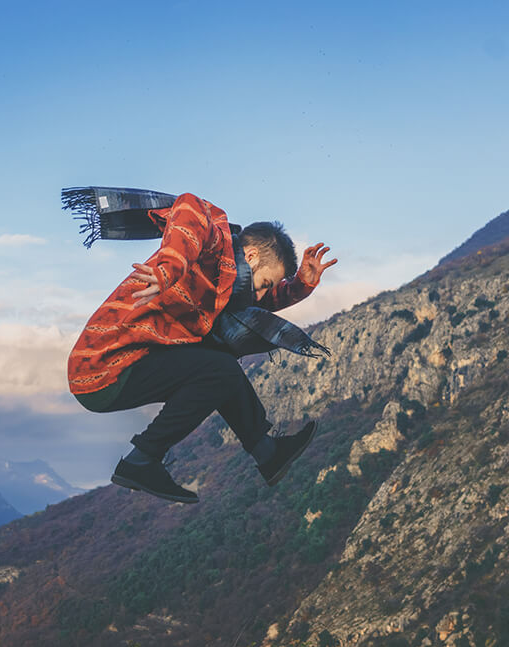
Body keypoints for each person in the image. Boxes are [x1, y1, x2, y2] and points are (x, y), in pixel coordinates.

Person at [68, 192, 337, 503]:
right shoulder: (214, 246)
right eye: (265, 284)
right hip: (103, 368)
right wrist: (169, 267)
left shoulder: (226, 288)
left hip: (127, 365)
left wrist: (301, 285)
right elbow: (188, 205)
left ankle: (267, 452)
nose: (262, 297)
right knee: (218, 369)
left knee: (221, 366)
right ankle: (141, 460)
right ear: (250, 257)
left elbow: (254, 302)